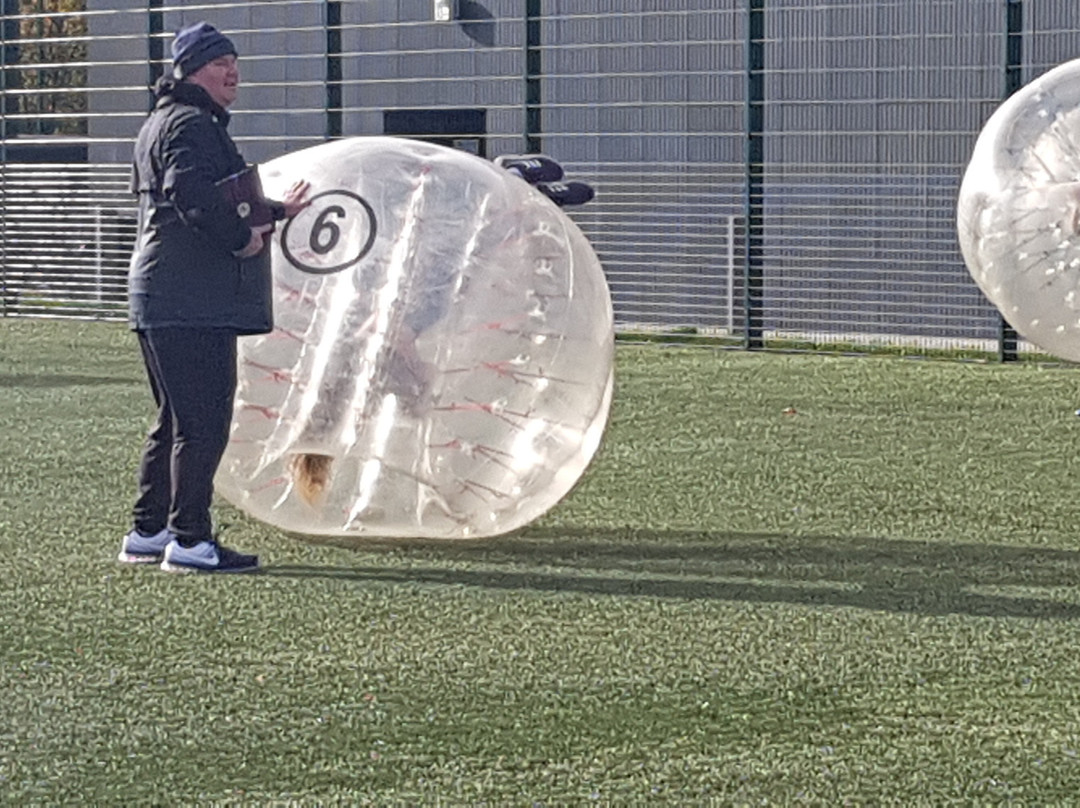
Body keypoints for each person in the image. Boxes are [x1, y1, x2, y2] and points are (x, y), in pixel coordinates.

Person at [118, 21, 310, 573]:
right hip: (189, 298)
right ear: (189, 71)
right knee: (201, 423)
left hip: (160, 294)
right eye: (218, 63)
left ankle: (148, 533)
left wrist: (273, 211)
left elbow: (210, 196)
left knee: (174, 421)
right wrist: (243, 238)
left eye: (234, 62)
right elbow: (192, 194)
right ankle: (191, 542)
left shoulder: (163, 121)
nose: (232, 72)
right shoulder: (192, 124)